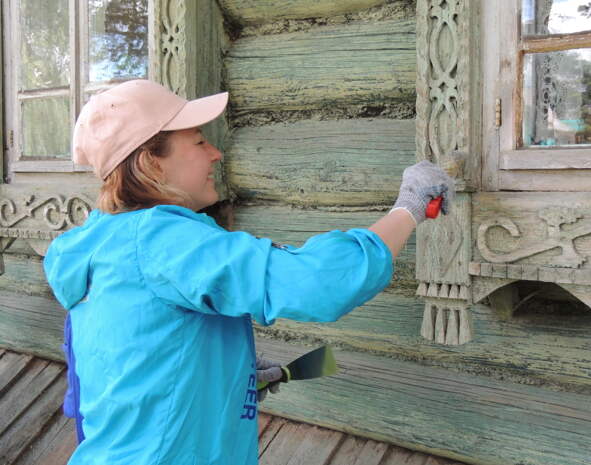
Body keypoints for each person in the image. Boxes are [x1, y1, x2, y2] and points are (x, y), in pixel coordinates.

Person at [43, 79, 454, 465]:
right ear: (152, 162)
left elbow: (123, 371)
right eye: (199, 141)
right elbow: (317, 283)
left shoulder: (99, 245)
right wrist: (410, 207)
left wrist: (220, 371)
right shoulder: (162, 240)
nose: (215, 153)